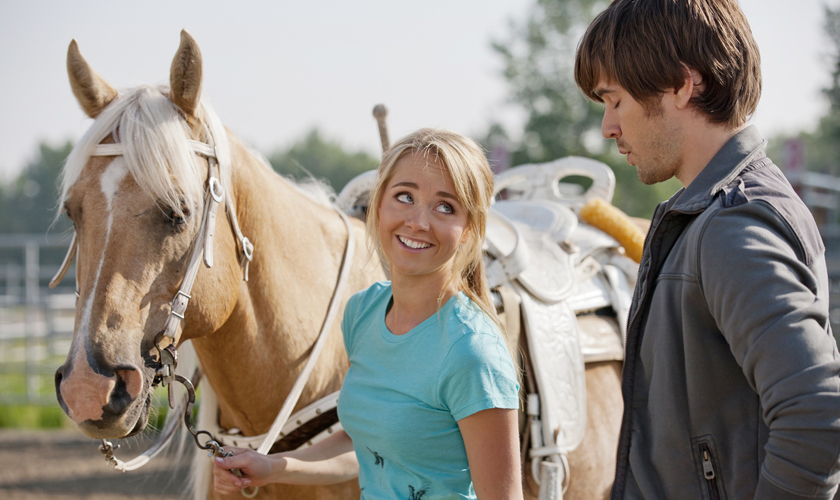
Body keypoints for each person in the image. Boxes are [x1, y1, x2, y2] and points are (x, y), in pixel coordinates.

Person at [573, 1, 840, 499]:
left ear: (681, 84)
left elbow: (817, 413)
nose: (608, 127)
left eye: (615, 101)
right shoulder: (710, 217)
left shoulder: (733, 227)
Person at [213, 129, 523, 499]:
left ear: (470, 229)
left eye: (445, 207)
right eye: (404, 197)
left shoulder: (472, 354)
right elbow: (368, 447)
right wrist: (273, 466)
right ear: (378, 206)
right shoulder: (364, 312)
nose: (418, 221)